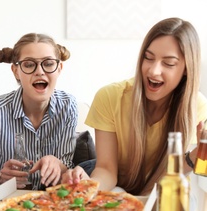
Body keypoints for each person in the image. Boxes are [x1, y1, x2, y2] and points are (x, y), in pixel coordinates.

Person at [62, 17, 207, 196]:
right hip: (107, 178)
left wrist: (196, 155)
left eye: (168, 63)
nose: (153, 71)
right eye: (148, 58)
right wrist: (88, 186)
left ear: (186, 68)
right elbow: (106, 170)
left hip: (154, 183)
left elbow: (170, 177)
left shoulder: (195, 106)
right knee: (117, 197)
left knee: (179, 202)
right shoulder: (110, 96)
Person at [0, 32, 87, 191]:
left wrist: (57, 164)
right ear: (15, 71)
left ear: (59, 68)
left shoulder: (68, 106)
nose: (39, 71)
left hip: (50, 200)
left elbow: (66, 164)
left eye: (48, 63)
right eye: (28, 64)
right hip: (8, 200)